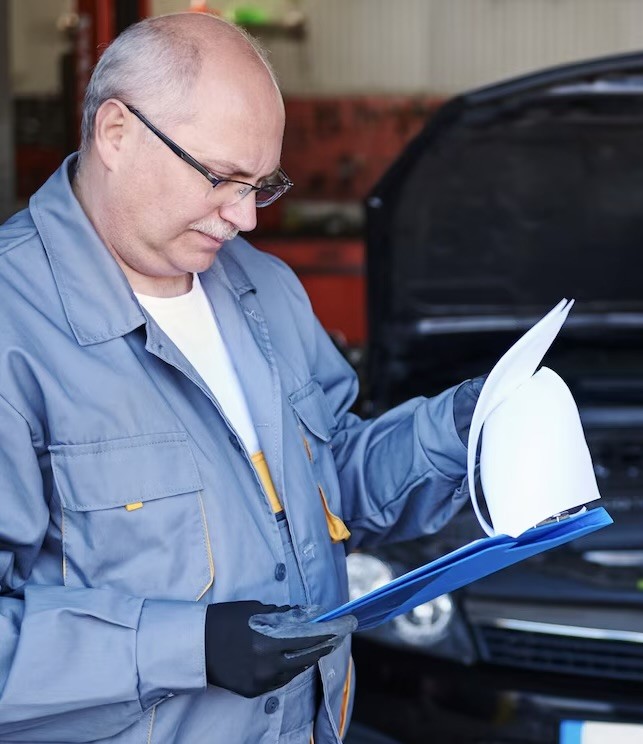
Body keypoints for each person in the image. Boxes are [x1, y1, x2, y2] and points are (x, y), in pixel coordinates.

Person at [0, 13, 481, 743]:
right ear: (117, 133)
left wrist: (456, 430)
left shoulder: (265, 289)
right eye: (223, 178)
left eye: (262, 184)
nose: (247, 218)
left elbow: (330, 481)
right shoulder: (15, 328)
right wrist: (186, 647)